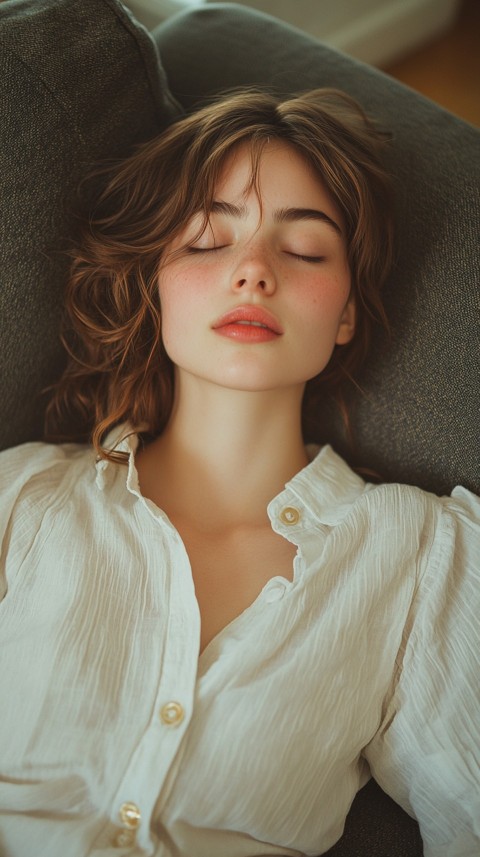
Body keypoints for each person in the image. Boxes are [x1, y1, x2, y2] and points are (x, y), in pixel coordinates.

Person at [0, 88, 478, 857]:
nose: (253, 271)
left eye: (305, 250)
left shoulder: (419, 556)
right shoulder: (21, 501)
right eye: (207, 242)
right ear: (156, 283)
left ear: (347, 310)